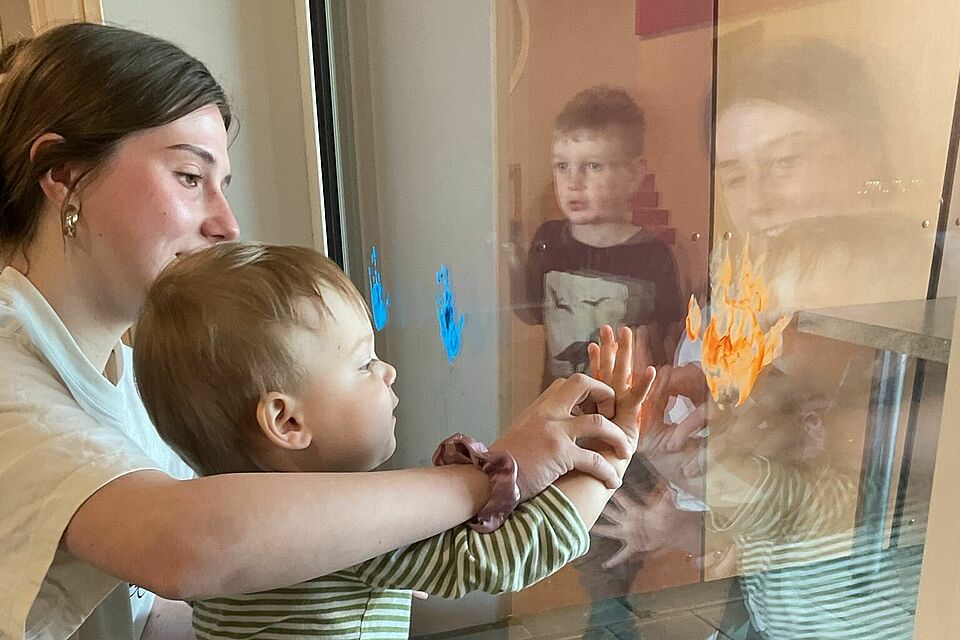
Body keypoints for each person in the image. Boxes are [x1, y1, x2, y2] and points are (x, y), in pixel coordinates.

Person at [0, 23, 640, 640]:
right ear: (64, 174)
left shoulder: (130, 376)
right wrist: (494, 476)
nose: (227, 223)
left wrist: (354, 560)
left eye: (223, 185)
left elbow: (160, 609)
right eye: (190, 178)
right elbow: (188, 547)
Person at [130, 242, 656, 640]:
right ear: (287, 422)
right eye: (364, 362)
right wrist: (606, 458)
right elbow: (510, 556)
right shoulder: (338, 530)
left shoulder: (227, 515)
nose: (388, 371)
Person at [599, 38, 932, 640]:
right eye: (733, 174)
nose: (755, 200)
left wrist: (800, 425)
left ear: (868, 154)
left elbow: (790, 502)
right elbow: (747, 513)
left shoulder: (923, 292)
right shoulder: (748, 293)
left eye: (785, 162)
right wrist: (689, 448)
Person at [512, 85, 684, 381]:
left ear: (634, 175)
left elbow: (669, 344)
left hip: (628, 407)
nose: (573, 182)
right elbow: (531, 313)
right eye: (562, 165)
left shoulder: (654, 256)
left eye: (592, 166)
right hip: (559, 404)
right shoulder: (547, 241)